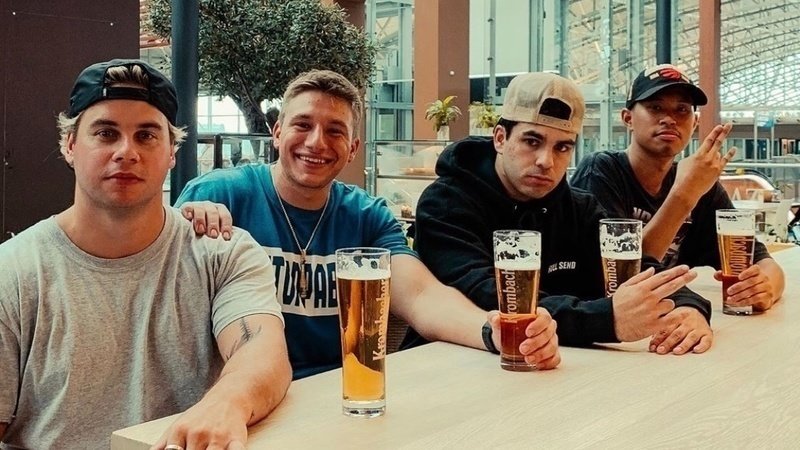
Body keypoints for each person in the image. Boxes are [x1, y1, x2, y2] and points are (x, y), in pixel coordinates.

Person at [175, 70, 561, 379]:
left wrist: (493, 330)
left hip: (338, 392)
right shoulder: (221, 196)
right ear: (277, 133)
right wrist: (181, 225)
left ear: (353, 149)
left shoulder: (365, 214)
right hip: (238, 397)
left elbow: (422, 296)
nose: (316, 142)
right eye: (302, 125)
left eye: (335, 131)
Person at [0, 59, 291, 449]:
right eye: (106, 133)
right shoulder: (13, 273)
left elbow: (261, 349)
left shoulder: (223, 252)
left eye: (146, 135)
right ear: (70, 145)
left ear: (172, 152)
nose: (126, 152)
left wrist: (227, 403)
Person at [409, 71, 710, 356]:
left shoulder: (579, 207)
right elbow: (493, 296)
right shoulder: (446, 204)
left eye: (562, 147)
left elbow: (642, 270)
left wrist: (687, 307)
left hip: (559, 366)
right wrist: (607, 319)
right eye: (532, 141)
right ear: (500, 138)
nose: (546, 161)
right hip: (450, 363)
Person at [571, 64, 785, 313]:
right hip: (602, 322)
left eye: (682, 109)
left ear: (694, 123)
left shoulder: (700, 186)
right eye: (655, 107)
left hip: (667, 317)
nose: (669, 119)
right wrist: (685, 194)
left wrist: (763, 288)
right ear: (628, 118)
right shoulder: (601, 171)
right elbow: (620, 277)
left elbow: (764, 262)